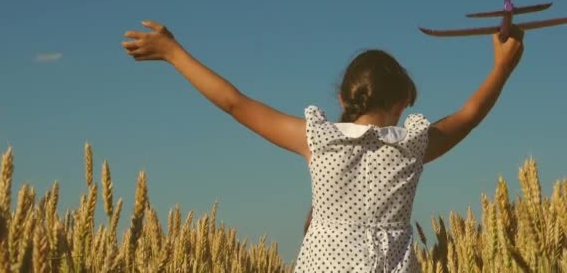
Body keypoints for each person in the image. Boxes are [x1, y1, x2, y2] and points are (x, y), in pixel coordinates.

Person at [121, 20, 524, 272]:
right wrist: (501, 68)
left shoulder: (318, 140)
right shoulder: (411, 146)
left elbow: (234, 103)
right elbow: (470, 114)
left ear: (343, 101)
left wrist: (173, 53)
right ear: (401, 103)